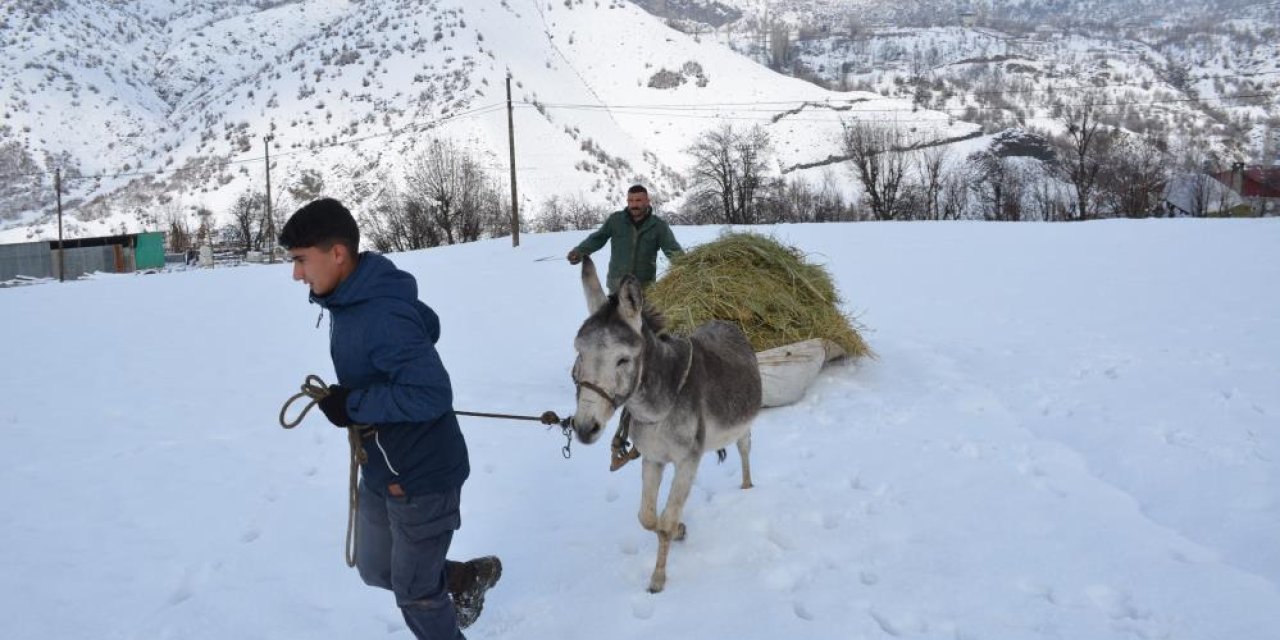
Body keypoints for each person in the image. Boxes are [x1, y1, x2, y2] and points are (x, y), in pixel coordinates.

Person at [279, 198, 500, 638]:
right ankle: (463, 579)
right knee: (376, 568)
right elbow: (427, 324)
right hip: (381, 468)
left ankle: (442, 595)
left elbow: (431, 393)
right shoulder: (355, 296)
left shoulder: (379, 312)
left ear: (337, 253)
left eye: (302, 260)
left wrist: (353, 405)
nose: (296, 274)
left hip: (420, 478)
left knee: (415, 593)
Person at [566, 184, 683, 292]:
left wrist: (687, 266)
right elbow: (597, 239)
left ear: (647, 201)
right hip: (617, 287)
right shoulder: (616, 220)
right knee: (616, 315)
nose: (634, 205)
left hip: (644, 289)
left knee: (643, 315)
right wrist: (579, 251)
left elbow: (672, 249)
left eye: (638, 200)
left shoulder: (658, 226)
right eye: (630, 200)